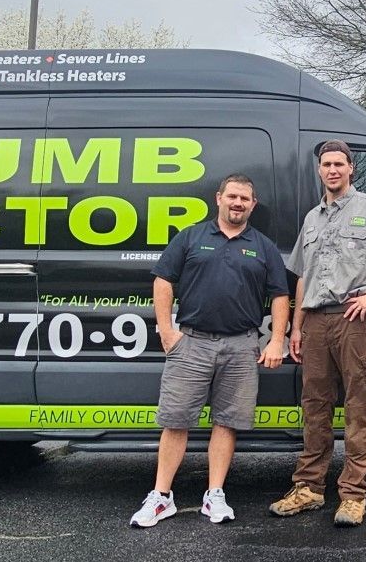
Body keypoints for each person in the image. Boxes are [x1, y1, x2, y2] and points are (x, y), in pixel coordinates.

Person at [268, 140, 366, 527]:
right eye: (326, 164)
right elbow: (303, 276)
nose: (332, 170)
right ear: (319, 170)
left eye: (339, 163)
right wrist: (296, 327)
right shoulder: (312, 219)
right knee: (315, 408)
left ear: (351, 168)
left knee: (358, 409)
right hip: (317, 323)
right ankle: (309, 489)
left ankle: (353, 495)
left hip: (357, 322)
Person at [129, 174, 290, 527]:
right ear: (219, 198)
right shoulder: (192, 236)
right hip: (192, 342)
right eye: (232, 196)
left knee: (227, 422)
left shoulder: (262, 246)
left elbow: (280, 295)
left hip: (241, 345)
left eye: (244, 199)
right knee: (175, 420)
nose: (237, 203)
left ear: (253, 204)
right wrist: (167, 331)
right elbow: (162, 280)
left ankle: (214, 495)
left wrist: (277, 340)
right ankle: (161, 497)